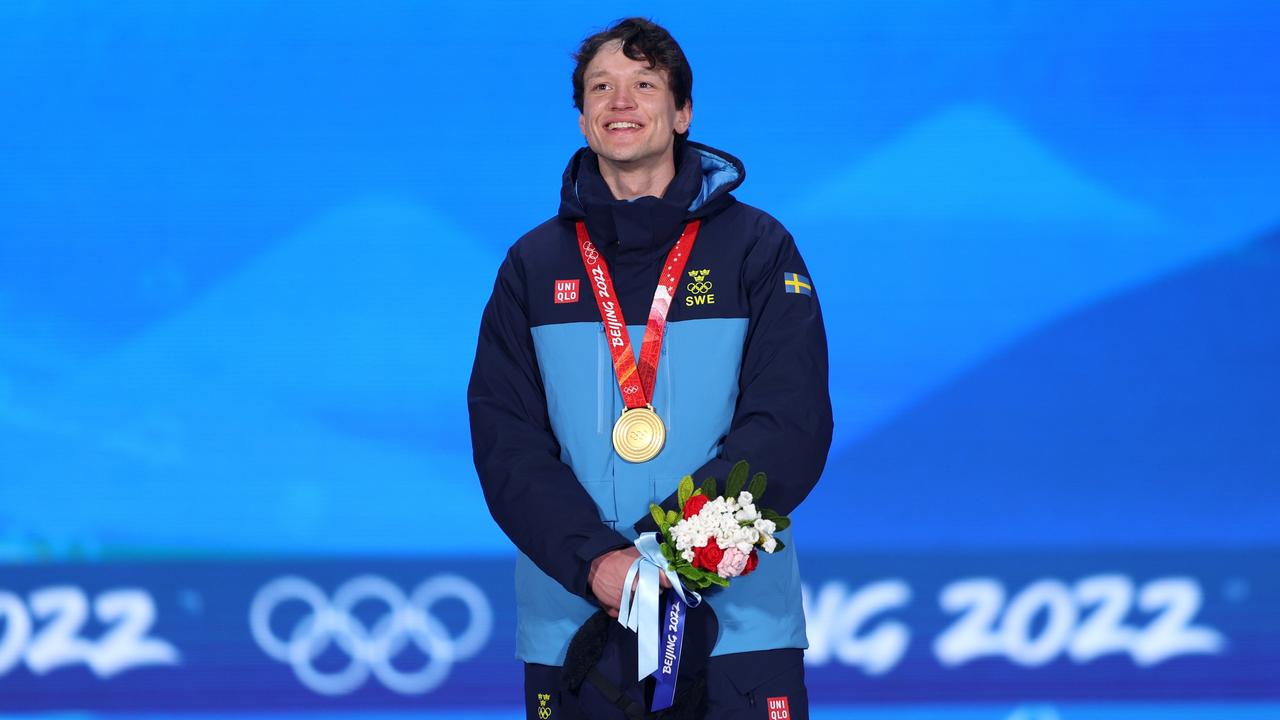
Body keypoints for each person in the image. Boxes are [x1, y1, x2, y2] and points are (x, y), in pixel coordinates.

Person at [468, 17, 832, 719]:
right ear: (582, 118)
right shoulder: (533, 266)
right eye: (601, 87)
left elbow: (791, 427)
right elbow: (505, 443)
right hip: (572, 625)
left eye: (644, 84)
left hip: (737, 631)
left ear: (683, 111)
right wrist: (597, 564)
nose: (620, 101)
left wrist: (674, 558)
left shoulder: (758, 247)